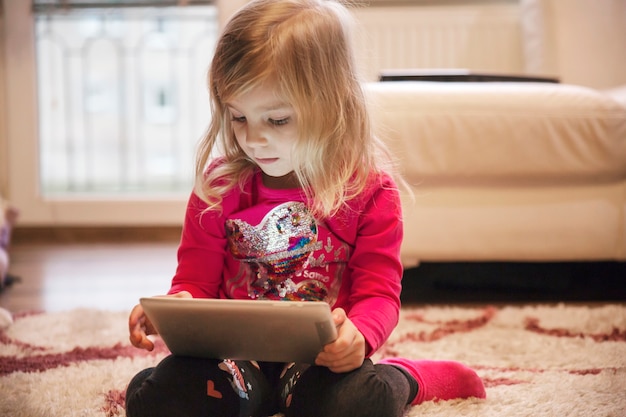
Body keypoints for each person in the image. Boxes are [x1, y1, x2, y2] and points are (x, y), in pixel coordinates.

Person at [126, 1, 486, 416]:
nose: (254, 140)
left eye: (277, 120)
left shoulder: (368, 190)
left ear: (332, 104)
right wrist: (174, 309)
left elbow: (378, 293)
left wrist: (360, 337)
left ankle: (407, 378)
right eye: (239, 117)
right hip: (235, 359)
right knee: (161, 400)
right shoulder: (219, 187)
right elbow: (195, 282)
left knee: (355, 404)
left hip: (321, 360)